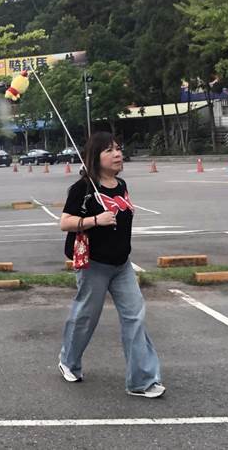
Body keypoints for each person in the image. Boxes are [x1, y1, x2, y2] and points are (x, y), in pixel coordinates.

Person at [58, 132, 164, 398]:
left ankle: (141, 381)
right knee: (85, 318)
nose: (117, 154)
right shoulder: (83, 188)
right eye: (109, 150)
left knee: (135, 318)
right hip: (94, 265)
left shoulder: (121, 184)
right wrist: (96, 220)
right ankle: (69, 361)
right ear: (95, 157)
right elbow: (65, 223)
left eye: (118, 148)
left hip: (122, 265)